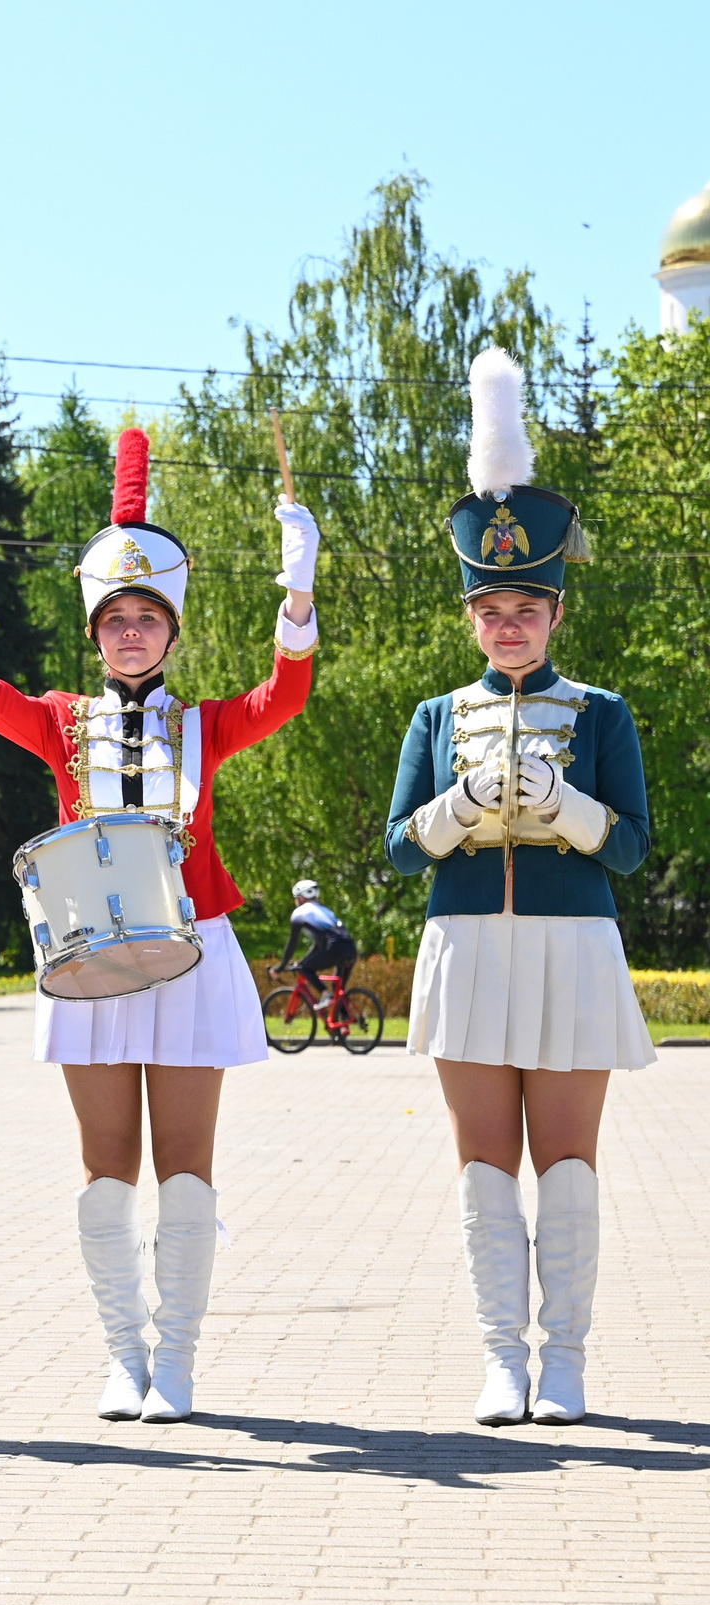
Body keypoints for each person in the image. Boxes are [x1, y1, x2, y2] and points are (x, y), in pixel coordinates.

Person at [0, 425, 317, 1423]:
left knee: (184, 1169)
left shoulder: (207, 722)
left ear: (172, 631)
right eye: (114, 618)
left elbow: (286, 691)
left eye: (147, 617)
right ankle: (120, 1353)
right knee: (102, 1171)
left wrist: (296, 598)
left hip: (192, 951)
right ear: (94, 632)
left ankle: (175, 1359)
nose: (130, 632)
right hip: (86, 950)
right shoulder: (58, 719)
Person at [385, 348, 653, 1428]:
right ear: (469, 617)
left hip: (571, 949)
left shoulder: (603, 712)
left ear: (554, 613)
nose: (508, 625)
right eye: (490, 609)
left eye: (525, 607)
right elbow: (402, 852)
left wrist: (563, 806)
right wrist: (458, 808)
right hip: (466, 949)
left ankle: (571, 1359)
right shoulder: (435, 716)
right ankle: (503, 1356)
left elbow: (630, 847)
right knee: (485, 1163)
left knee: (570, 1162)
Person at [277, 879, 356, 1007]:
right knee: (338, 989)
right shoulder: (324, 910)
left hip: (334, 948)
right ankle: (342, 1022)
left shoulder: (299, 913)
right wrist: (303, 960)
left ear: (301, 898)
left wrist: (280, 967)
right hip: (350, 948)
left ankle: (325, 994)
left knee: (305, 969)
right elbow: (319, 945)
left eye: (296, 898)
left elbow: (292, 944)